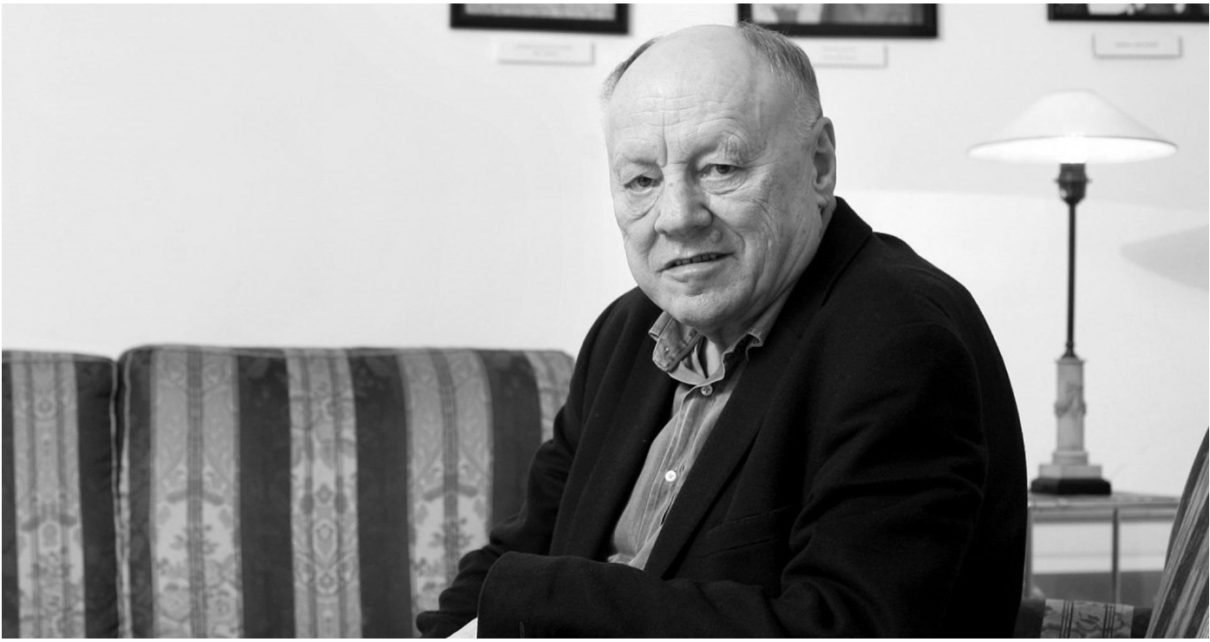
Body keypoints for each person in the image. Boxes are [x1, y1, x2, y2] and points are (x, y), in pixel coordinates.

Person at [417, 22, 1026, 638]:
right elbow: (522, 548)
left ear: (819, 165)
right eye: (642, 181)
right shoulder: (628, 329)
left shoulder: (899, 340)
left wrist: (542, 603)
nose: (676, 217)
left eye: (720, 168)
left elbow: (848, 626)